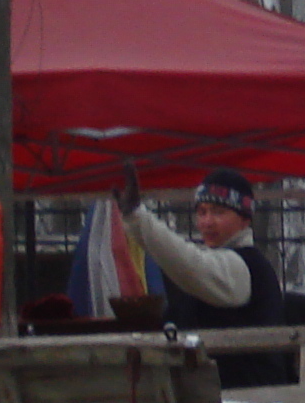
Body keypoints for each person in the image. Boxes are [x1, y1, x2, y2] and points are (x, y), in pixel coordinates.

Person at [124, 167, 294, 389]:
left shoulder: (243, 266)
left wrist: (139, 220)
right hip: (213, 402)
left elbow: (190, 265)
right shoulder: (215, 267)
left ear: (245, 219)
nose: (207, 222)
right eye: (202, 212)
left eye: (218, 212)